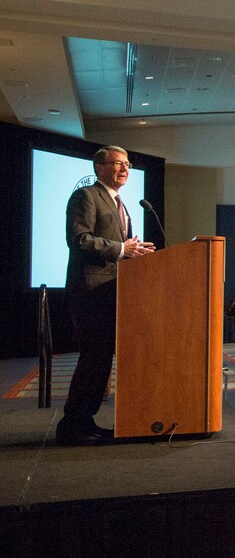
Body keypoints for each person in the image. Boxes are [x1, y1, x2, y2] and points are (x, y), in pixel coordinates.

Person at [57, 145, 155, 446]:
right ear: (99, 167)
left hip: (113, 292)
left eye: (127, 164)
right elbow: (79, 239)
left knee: (101, 361)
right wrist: (122, 249)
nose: (124, 169)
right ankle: (71, 427)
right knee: (93, 359)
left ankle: (85, 421)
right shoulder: (86, 196)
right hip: (91, 291)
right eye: (117, 163)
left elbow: (119, 247)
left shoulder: (120, 203)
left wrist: (132, 251)